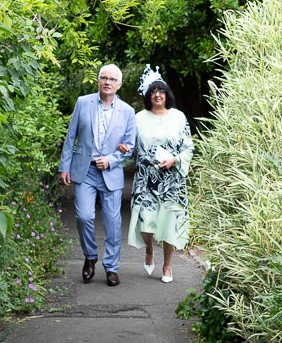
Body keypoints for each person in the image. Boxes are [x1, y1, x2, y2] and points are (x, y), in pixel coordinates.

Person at [58, 64, 136, 286]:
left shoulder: (128, 111)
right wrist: (64, 167)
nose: (107, 82)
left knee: (112, 222)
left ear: (119, 84)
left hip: (111, 172)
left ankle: (111, 267)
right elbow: (70, 136)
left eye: (112, 79)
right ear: (98, 80)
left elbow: (129, 146)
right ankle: (90, 256)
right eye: (104, 78)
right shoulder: (84, 103)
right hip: (85, 170)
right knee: (84, 217)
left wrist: (111, 159)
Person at [126, 68, 193, 283]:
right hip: (146, 180)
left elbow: (188, 147)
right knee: (146, 222)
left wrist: (174, 160)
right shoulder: (138, 118)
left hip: (172, 180)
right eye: (153, 91)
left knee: (169, 224)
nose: (157, 95)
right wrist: (123, 150)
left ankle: (167, 266)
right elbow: (131, 148)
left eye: (161, 91)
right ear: (148, 96)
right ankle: (148, 248)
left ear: (166, 94)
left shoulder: (179, 117)